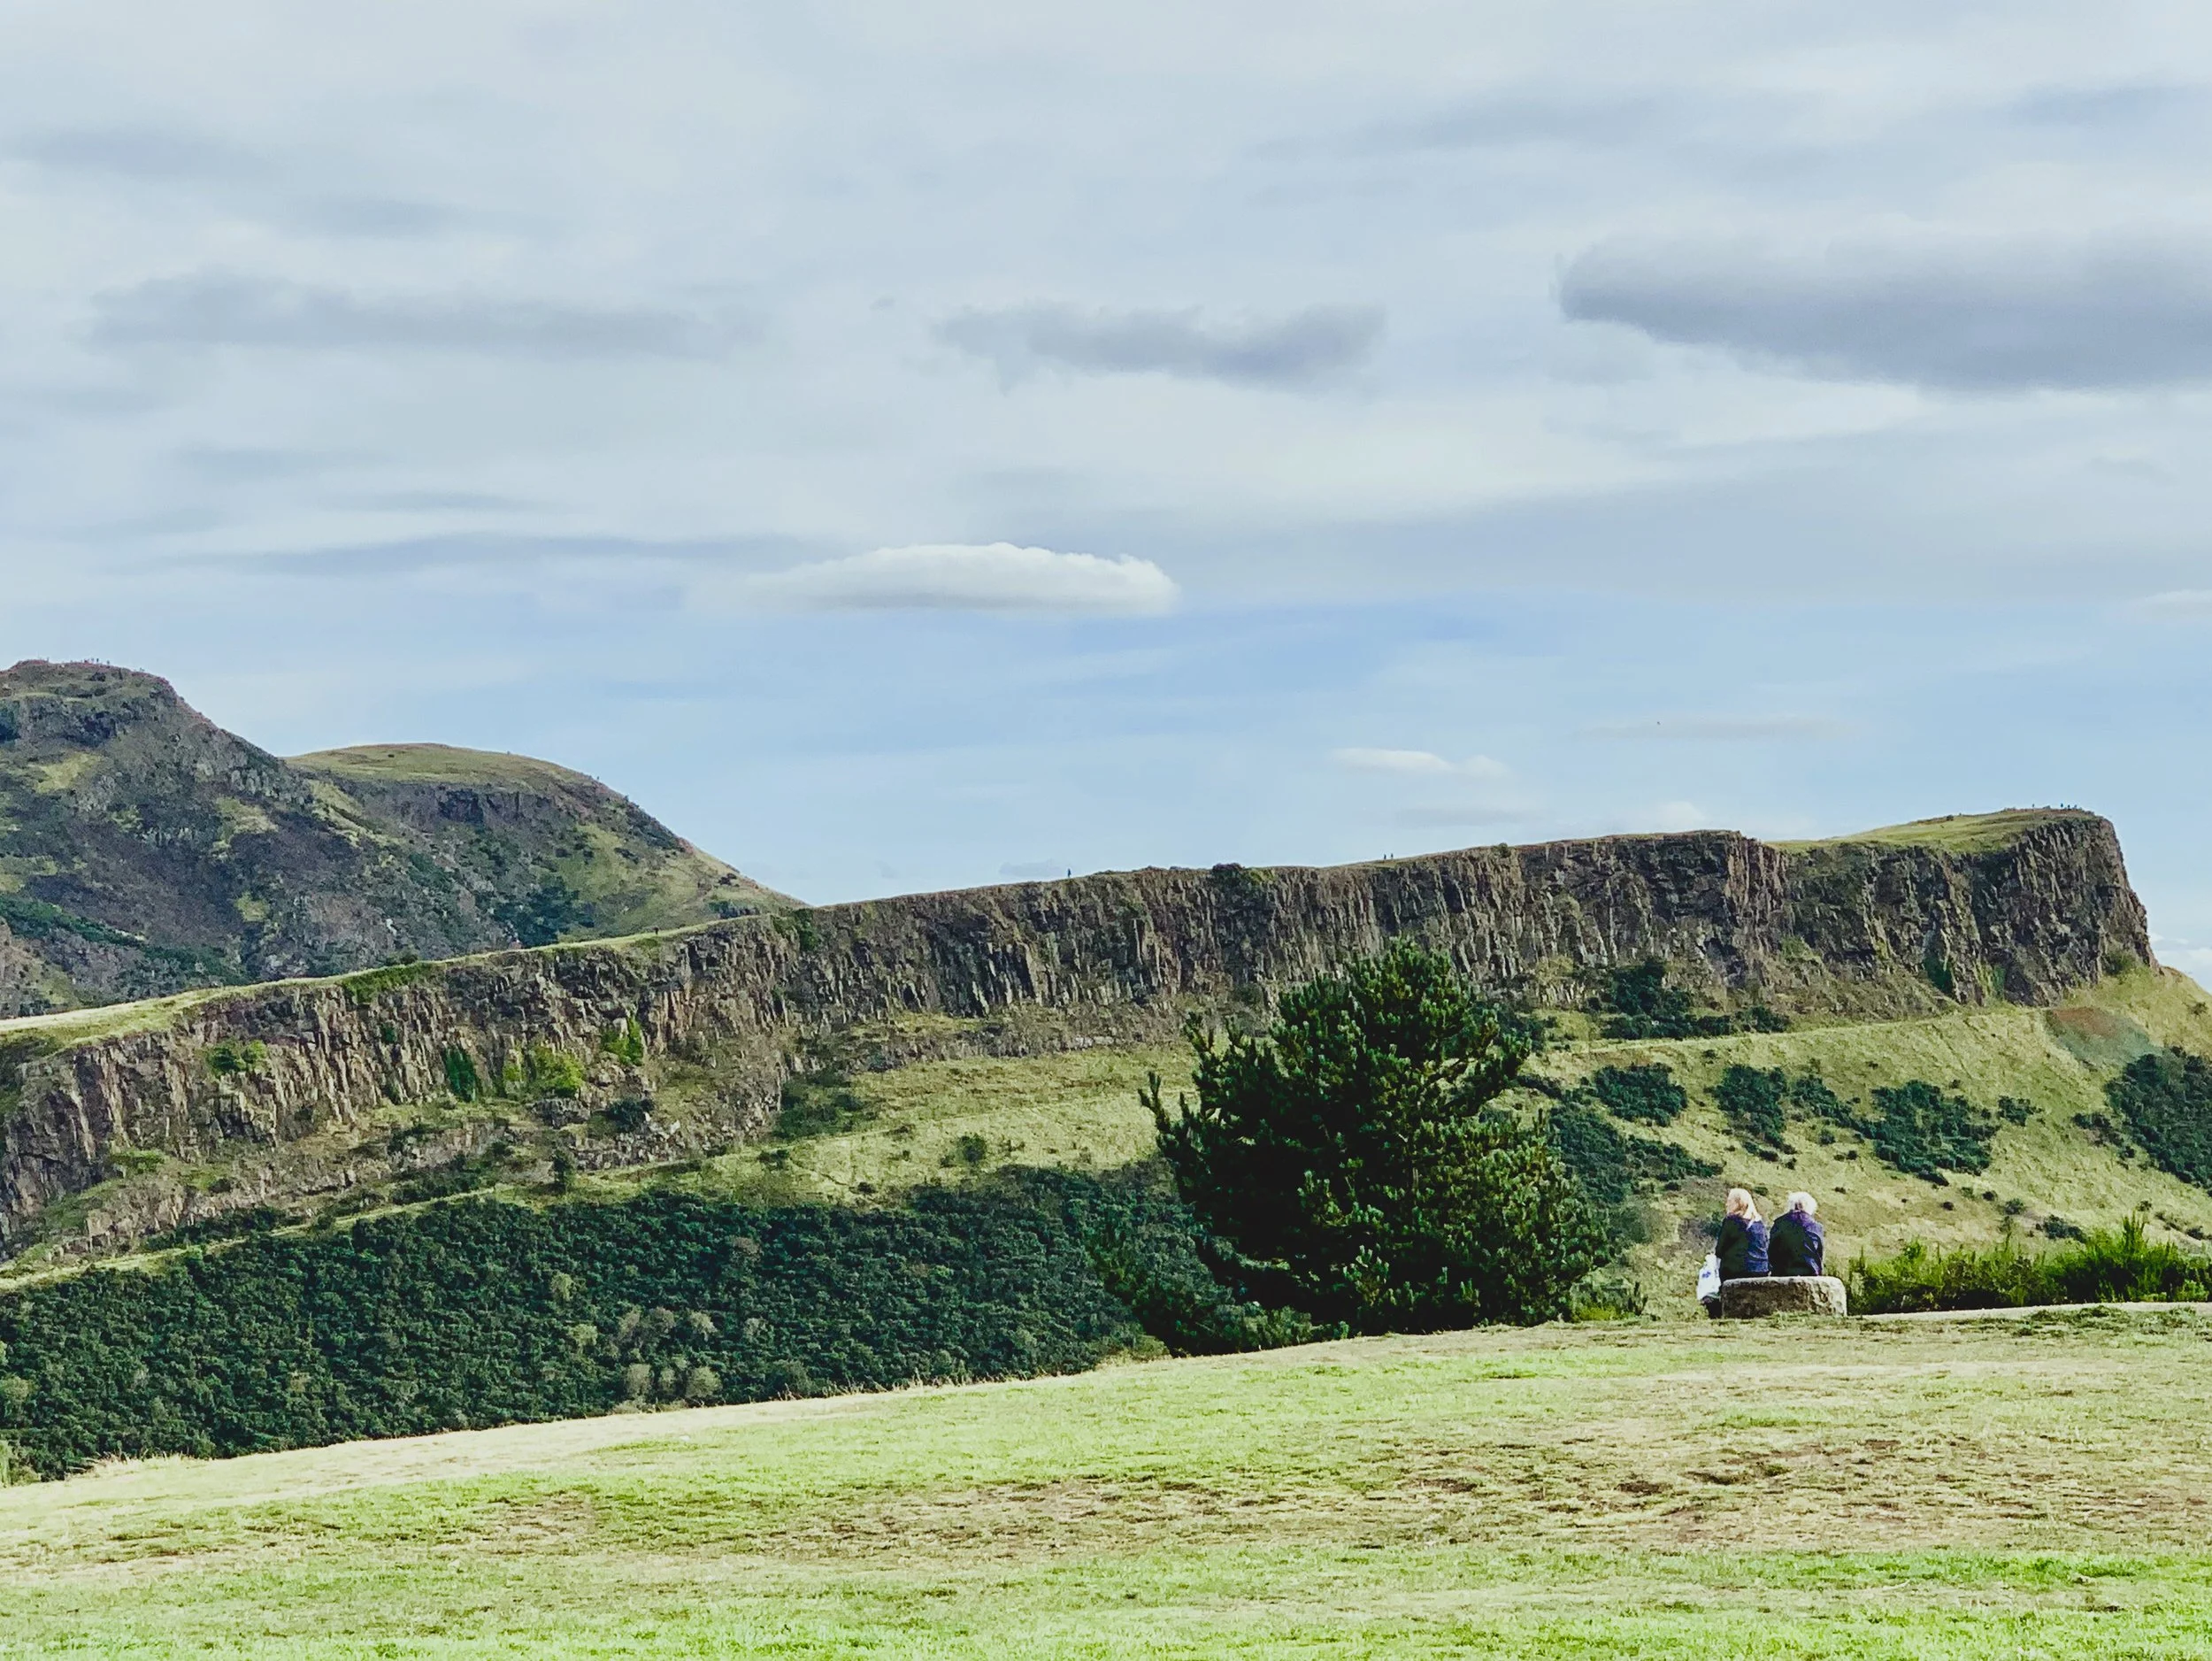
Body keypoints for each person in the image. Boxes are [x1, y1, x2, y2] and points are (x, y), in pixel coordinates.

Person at [1769, 1190, 1825, 1278]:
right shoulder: (1815, 1226)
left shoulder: (1779, 1224)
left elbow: (1771, 1251)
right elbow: (1819, 1253)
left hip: (1782, 1272)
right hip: (1810, 1272)